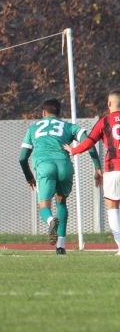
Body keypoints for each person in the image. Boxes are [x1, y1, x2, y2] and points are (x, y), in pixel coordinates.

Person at [19, 98, 101, 255]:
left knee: (44, 206)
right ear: (60, 113)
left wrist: (29, 176)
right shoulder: (69, 126)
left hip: (45, 166)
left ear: (43, 113)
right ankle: (61, 246)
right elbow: (89, 143)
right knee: (61, 203)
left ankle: (51, 221)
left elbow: (22, 158)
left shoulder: (33, 128)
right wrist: (97, 167)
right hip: (64, 166)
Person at [67, 89, 120, 255]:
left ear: (109, 103)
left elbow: (89, 141)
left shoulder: (105, 121)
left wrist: (73, 150)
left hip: (112, 170)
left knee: (112, 207)